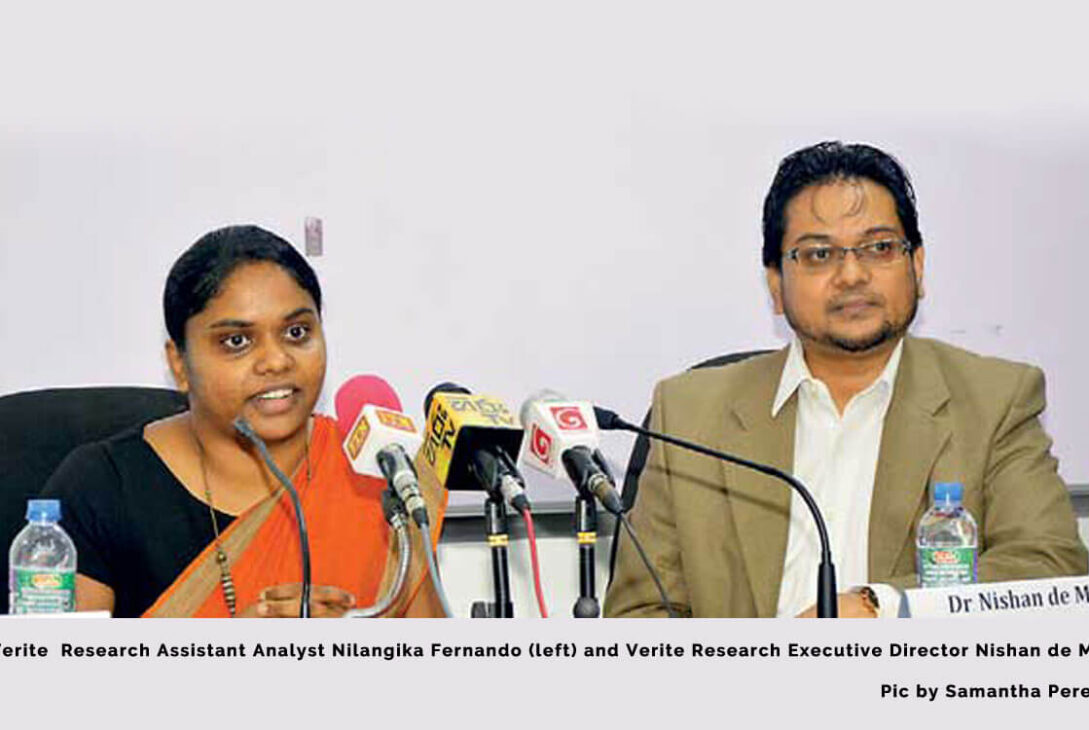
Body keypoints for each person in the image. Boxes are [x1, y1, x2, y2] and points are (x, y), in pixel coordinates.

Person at [605, 141, 1088, 618]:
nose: (852, 274)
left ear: (917, 267)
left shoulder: (995, 400)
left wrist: (880, 608)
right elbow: (640, 614)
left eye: (880, 248)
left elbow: (1051, 567)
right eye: (818, 254)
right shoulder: (690, 413)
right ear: (775, 285)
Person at [42, 225, 446, 617]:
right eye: (237, 341)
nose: (276, 361)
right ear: (179, 364)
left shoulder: (382, 475)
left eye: (297, 332)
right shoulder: (100, 488)